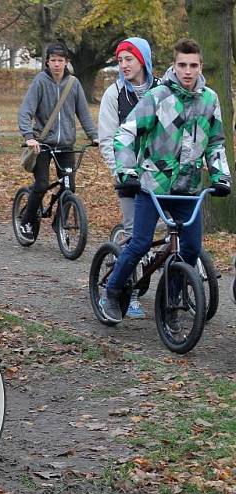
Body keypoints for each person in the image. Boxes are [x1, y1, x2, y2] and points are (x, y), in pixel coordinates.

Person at [99, 38, 231, 323]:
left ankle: (170, 303)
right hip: (153, 187)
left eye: (192, 65)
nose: (187, 71)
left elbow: (216, 142)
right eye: (182, 65)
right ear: (174, 65)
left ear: (200, 67)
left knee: (192, 249)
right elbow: (125, 134)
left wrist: (221, 176)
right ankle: (111, 292)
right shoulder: (158, 96)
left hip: (189, 188)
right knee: (140, 243)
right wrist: (127, 173)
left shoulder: (209, 99)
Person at [97, 37, 157, 319]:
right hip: (131, 178)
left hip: (162, 176)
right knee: (136, 236)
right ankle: (128, 292)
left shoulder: (161, 90)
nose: (123, 65)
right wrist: (122, 172)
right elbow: (107, 139)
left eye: (128, 59)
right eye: (120, 60)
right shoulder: (114, 95)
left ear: (143, 59)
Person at [17, 42, 97, 240]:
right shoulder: (40, 82)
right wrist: (29, 137)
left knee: (69, 187)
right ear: (47, 62)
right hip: (42, 144)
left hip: (66, 146)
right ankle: (27, 222)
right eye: (53, 60)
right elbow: (26, 111)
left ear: (66, 62)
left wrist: (94, 135)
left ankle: (58, 222)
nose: (57, 64)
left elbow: (84, 114)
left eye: (60, 60)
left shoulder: (74, 84)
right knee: (42, 184)